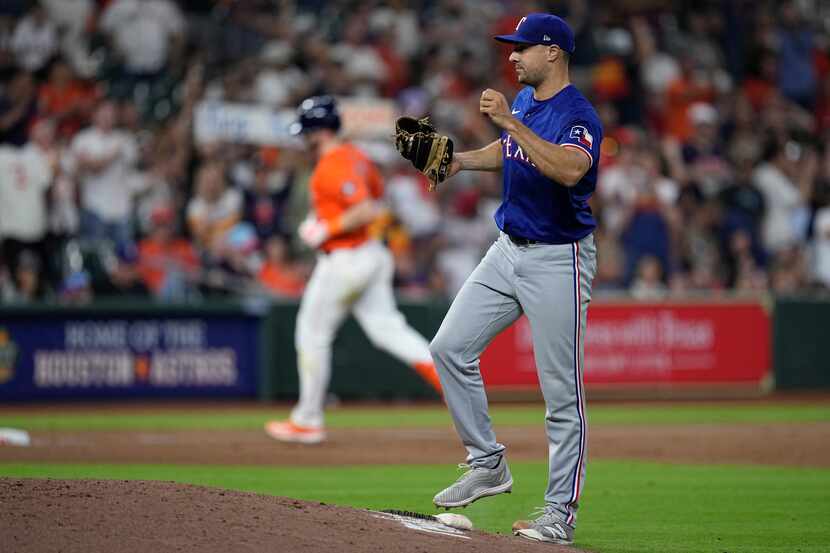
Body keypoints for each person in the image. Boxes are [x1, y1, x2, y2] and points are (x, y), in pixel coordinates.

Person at [426, 14, 601, 546]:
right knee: (448, 347)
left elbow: (570, 169)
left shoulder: (578, 114)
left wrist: (509, 122)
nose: (513, 56)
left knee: (561, 395)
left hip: (558, 258)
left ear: (553, 53)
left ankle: (558, 516)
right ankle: (487, 463)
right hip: (508, 250)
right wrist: (457, 162)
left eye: (523, 47)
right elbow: (511, 154)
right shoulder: (524, 104)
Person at [265, 96, 441, 445]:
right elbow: (376, 198)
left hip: (346, 259)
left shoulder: (333, 163)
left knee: (311, 333)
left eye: (306, 131)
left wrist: (325, 228)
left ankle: (308, 419)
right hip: (371, 255)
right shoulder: (359, 157)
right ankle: (447, 376)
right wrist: (326, 219)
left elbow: (365, 209)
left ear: (317, 131)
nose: (302, 138)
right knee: (387, 330)